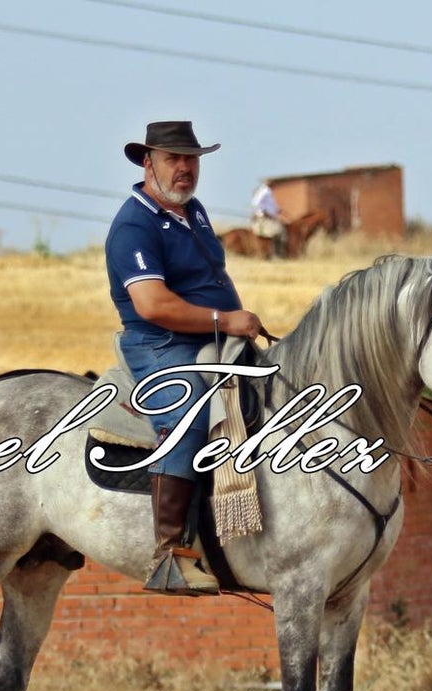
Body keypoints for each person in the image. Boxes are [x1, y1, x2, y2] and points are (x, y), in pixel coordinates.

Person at [105, 120, 264, 596]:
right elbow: (152, 305)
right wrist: (227, 321)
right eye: (173, 159)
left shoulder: (191, 212)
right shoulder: (133, 225)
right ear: (146, 162)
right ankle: (170, 553)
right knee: (192, 408)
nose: (184, 169)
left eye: (191, 159)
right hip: (159, 344)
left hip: (208, 339)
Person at [250, 181, 285, 258]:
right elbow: (256, 203)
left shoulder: (269, 192)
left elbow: (270, 205)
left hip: (271, 217)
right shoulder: (263, 192)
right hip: (264, 218)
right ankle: (275, 254)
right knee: (278, 231)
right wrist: (264, 211)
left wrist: (277, 210)